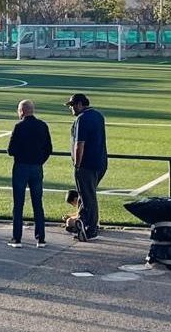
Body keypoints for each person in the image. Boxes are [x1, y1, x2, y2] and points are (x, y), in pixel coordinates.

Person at [6, 99, 52, 248]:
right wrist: (39, 160)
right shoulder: (42, 126)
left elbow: (11, 150)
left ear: (22, 111)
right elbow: (49, 149)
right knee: (38, 203)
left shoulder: (19, 127)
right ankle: (40, 238)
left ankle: (17, 238)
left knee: (18, 203)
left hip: (21, 167)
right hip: (37, 167)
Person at [67, 92, 106, 241]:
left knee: (88, 197)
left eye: (72, 106)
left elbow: (79, 144)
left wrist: (77, 164)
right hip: (100, 162)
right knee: (86, 195)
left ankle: (91, 229)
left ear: (79, 104)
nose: (71, 109)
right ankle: (81, 224)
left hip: (86, 165)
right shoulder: (98, 115)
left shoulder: (82, 119)